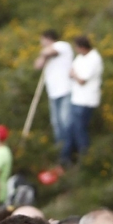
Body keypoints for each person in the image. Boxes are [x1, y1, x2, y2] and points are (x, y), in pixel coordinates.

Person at [35, 32, 75, 166]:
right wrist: (43, 55)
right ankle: (61, 153)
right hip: (53, 93)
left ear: (47, 39)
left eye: (42, 40)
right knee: (57, 125)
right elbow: (38, 65)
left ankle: (67, 156)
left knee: (65, 123)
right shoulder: (46, 54)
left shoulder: (62, 46)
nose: (41, 44)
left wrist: (44, 53)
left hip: (65, 91)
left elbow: (50, 52)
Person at [66, 35, 103, 165]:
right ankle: (68, 158)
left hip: (87, 101)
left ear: (82, 47)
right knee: (72, 129)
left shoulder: (94, 59)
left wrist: (74, 75)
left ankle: (85, 158)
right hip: (76, 99)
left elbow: (82, 79)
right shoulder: (80, 57)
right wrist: (74, 74)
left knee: (80, 130)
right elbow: (71, 71)